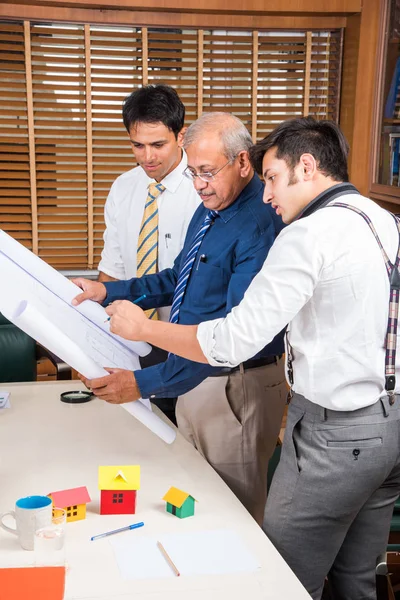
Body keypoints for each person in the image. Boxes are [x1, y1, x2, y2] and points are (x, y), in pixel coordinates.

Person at [105, 116, 400, 600]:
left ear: (307, 167)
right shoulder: (384, 220)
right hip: (389, 427)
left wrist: (144, 328)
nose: (267, 196)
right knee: (355, 579)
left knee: (278, 579)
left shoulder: (307, 235)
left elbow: (234, 341)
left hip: (334, 432)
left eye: (273, 178)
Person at [73, 112, 287, 524]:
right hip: (192, 374)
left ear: (243, 162)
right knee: (194, 497)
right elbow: (179, 278)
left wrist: (140, 384)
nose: (199, 184)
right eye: (192, 173)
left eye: (207, 172)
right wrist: (108, 290)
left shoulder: (261, 224)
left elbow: (230, 339)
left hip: (234, 384)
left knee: (232, 513)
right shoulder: (211, 207)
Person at [97, 83, 200, 423]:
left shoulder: (205, 190)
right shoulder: (123, 187)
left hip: (188, 344)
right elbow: (112, 267)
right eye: (137, 145)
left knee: (187, 451)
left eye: (158, 144)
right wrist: (98, 333)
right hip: (131, 342)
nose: (147, 157)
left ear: (181, 135)